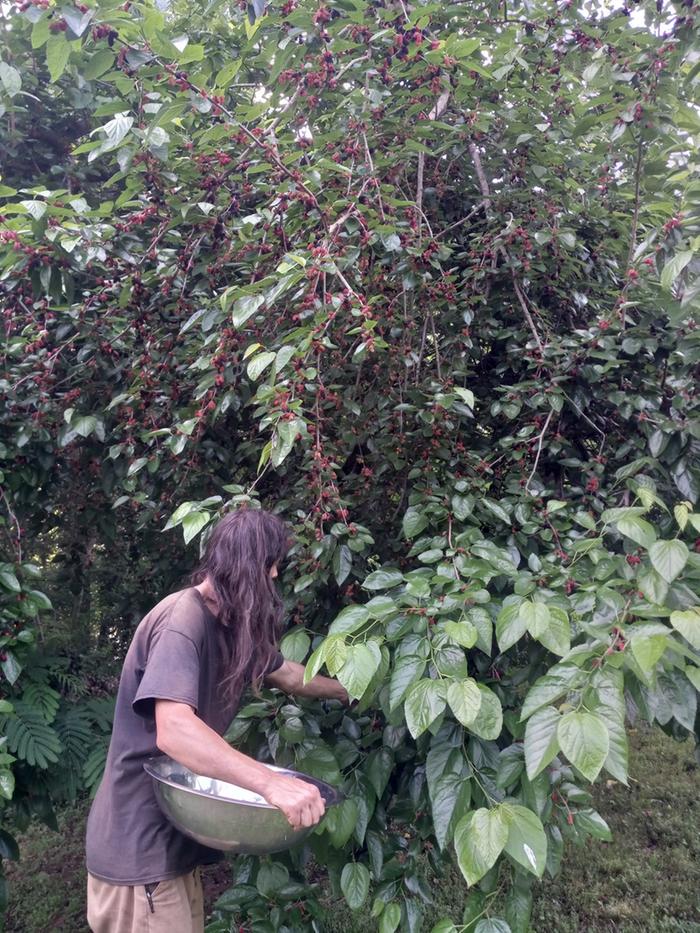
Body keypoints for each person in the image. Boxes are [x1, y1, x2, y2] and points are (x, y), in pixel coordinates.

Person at [85, 508, 348, 933]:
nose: (277, 574)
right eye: (271, 563)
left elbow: (287, 675)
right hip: (140, 852)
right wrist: (271, 783)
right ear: (247, 566)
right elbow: (176, 731)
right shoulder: (181, 621)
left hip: (170, 851)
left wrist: (346, 690)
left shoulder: (228, 624)